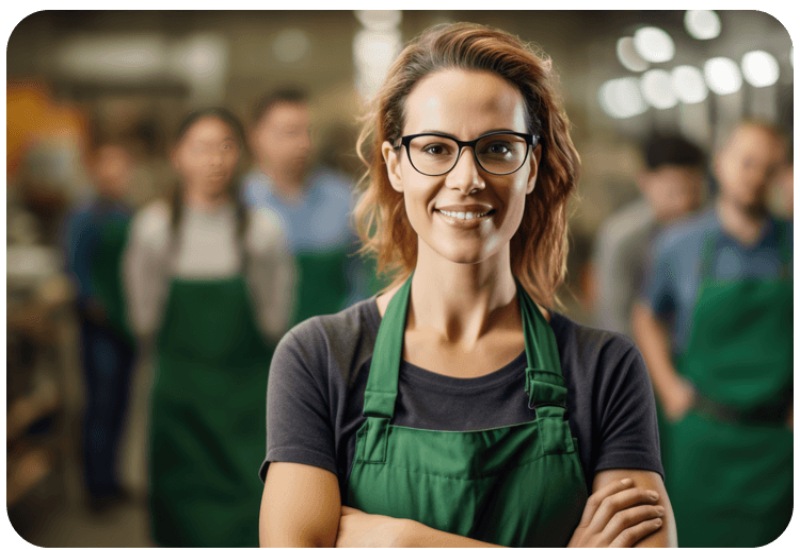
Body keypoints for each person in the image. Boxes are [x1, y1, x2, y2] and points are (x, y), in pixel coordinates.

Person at [259, 22, 675, 548]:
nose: (467, 178)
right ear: (395, 166)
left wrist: (405, 542)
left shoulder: (604, 370)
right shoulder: (319, 359)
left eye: (498, 148)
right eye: (434, 149)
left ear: (532, 166)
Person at [122, 107, 295, 547]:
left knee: (250, 506)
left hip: (245, 402)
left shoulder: (263, 230)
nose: (214, 159)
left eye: (225, 146)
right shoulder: (154, 229)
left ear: (240, 155)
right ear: (177, 156)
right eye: (200, 147)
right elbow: (143, 317)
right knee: (179, 509)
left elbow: (277, 317)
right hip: (180, 401)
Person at [632, 120, 792, 547]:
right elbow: (645, 316)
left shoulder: (793, 244)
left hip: (777, 443)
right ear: (720, 164)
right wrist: (669, 389)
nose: (754, 176)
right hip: (702, 434)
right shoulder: (678, 243)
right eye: (746, 162)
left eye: (767, 167)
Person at [242, 88, 370, 325]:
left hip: (334, 339)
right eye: (290, 132)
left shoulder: (343, 197)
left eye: (308, 132)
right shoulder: (242, 203)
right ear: (256, 136)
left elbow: (362, 276)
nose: (303, 143)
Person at [63, 138, 137, 511]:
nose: (116, 174)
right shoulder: (84, 216)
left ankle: (111, 478)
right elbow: (75, 272)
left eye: (122, 167)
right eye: (109, 166)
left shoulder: (127, 213)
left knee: (122, 403)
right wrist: (95, 306)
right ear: (96, 171)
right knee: (100, 405)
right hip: (99, 330)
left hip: (126, 327)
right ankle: (95, 487)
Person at [592, 133, 706, 337]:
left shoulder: (709, 229)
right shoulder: (623, 237)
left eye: (693, 189)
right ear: (644, 181)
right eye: (674, 189)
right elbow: (614, 317)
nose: (684, 201)